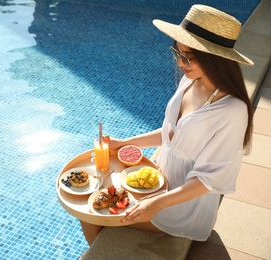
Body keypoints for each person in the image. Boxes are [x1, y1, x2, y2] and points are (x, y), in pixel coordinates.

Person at [80, 4, 254, 245]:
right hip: (157, 182)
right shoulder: (190, 81)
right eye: (178, 53)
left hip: (182, 205)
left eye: (187, 57)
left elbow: (210, 180)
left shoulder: (231, 111)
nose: (180, 62)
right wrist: (126, 143)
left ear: (214, 59)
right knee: (91, 199)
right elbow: (173, 133)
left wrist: (157, 203)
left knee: (89, 216)